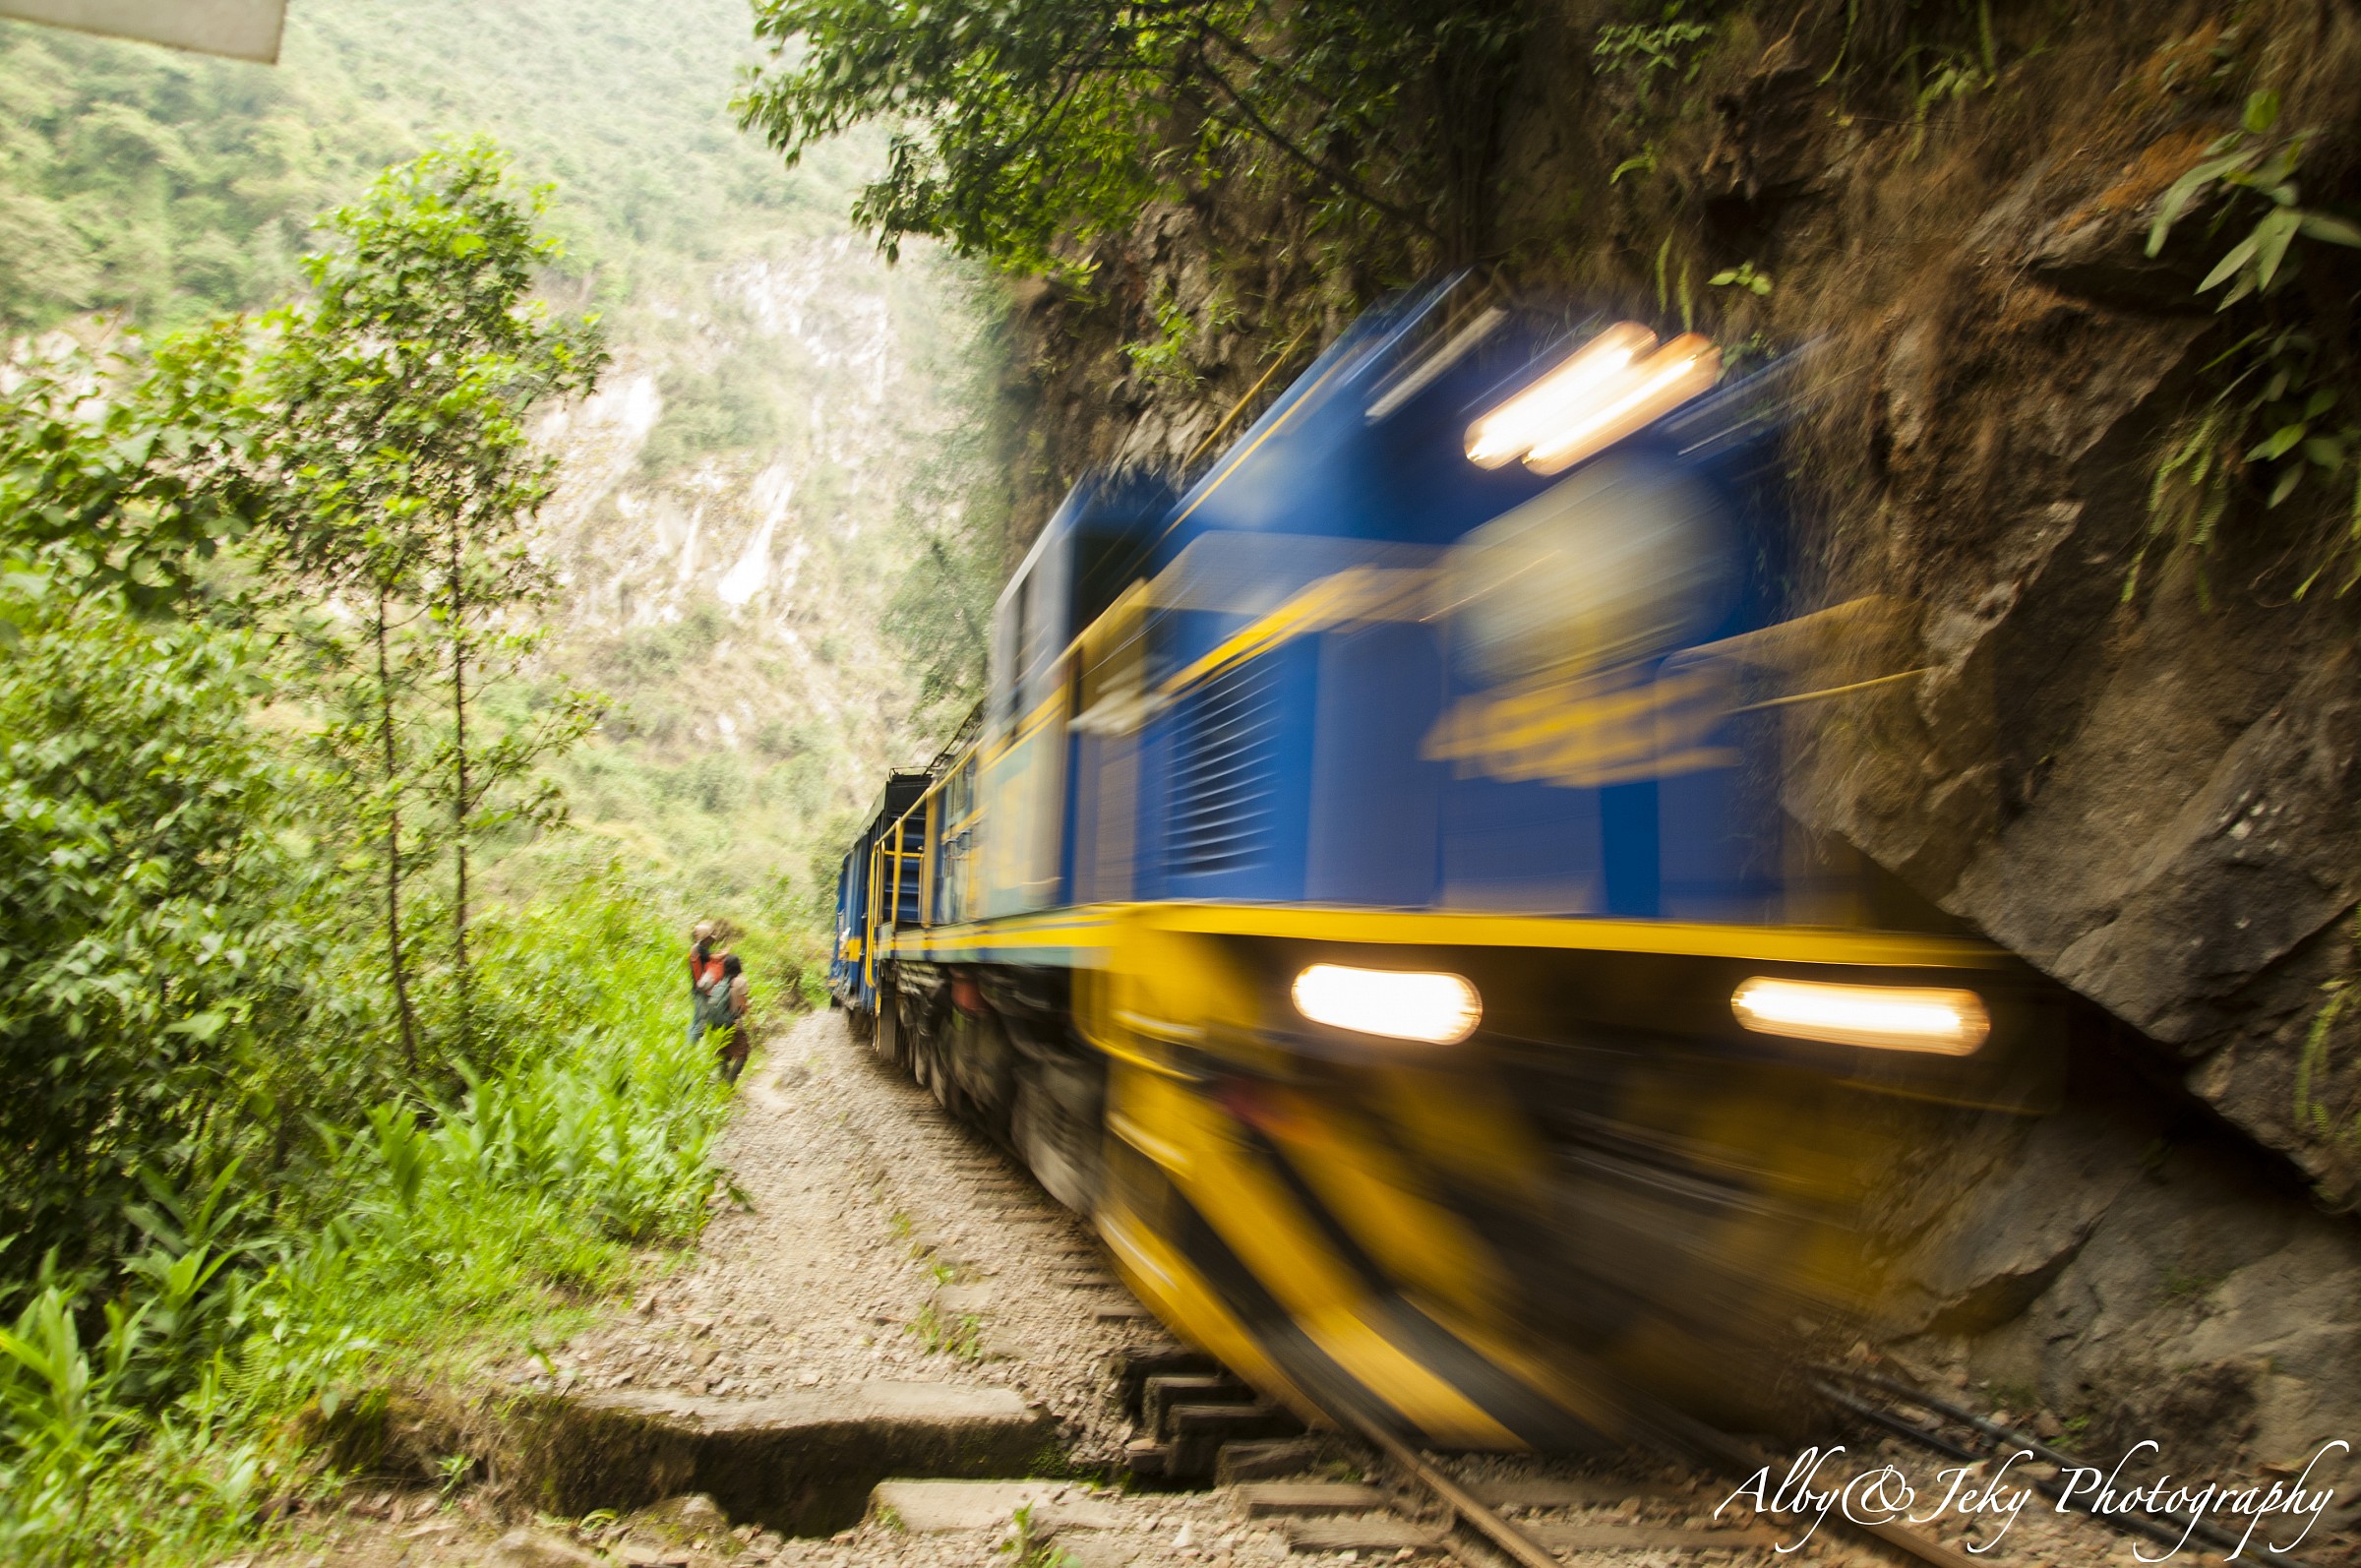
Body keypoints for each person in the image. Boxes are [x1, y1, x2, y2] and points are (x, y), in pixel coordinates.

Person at [713, 952, 752, 1083]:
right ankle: (729, 1083)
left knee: (724, 1052)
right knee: (743, 1052)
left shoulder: (720, 981)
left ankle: (721, 1082)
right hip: (734, 1023)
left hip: (719, 1023)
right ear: (737, 966)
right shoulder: (740, 982)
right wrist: (752, 1023)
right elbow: (743, 1005)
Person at [687, 921, 721, 1045]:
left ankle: (687, 1048)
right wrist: (726, 953)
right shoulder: (700, 949)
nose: (711, 942)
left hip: (696, 990)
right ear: (704, 938)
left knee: (696, 1021)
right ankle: (689, 1049)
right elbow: (715, 959)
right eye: (709, 939)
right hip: (700, 991)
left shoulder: (694, 949)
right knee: (700, 1025)